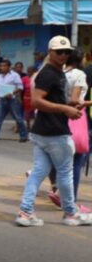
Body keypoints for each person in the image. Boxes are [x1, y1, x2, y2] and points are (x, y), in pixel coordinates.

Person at [16, 37, 92, 227]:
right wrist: (65, 110)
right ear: (50, 52)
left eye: (66, 51)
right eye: (59, 51)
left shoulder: (57, 72)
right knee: (65, 174)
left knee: (39, 172)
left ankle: (25, 212)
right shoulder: (49, 74)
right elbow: (36, 101)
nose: (63, 55)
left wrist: (75, 104)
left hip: (43, 132)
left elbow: (55, 99)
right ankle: (71, 214)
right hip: (55, 132)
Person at [47, 47, 90, 211]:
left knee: (62, 157)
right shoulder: (79, 74)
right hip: (76, 116)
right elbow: (75, 100)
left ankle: (57, 188)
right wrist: (88, 103)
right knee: (78, 158)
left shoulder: (60, 73)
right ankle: (69, 199)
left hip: (59, 116)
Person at [0, 59, 28, 143]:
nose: (2, 68)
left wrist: (11, 93)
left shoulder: (14, 75)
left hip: (13, 100)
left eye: (4, 66)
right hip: (1, 99)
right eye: (1, 66)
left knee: (18, 118)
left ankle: (24, 136)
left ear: (9, 67)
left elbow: (20, 87)